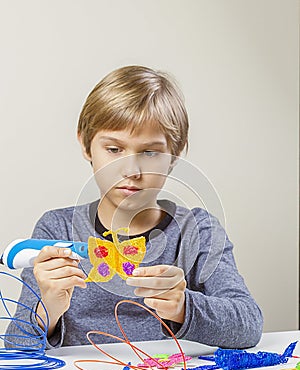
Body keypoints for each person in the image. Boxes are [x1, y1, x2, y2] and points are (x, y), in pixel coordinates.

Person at [5, 65, 263, 350]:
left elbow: (249, 325)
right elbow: (18, 349)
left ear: (175, 154)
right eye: (114, 150)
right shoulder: (57, 228)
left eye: (150, 152)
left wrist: (183, 306)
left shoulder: (197, 231)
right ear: (86, 144)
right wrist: (48, 309)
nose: (130, 170)